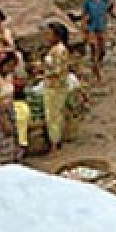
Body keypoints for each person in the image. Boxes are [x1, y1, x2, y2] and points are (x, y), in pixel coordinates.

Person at [42, 22, 70, 152]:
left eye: (49, 34)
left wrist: (43, 71)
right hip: (56, 86)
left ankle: (54, 143)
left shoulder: (59, 50)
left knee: (52, 115)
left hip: (55, 87)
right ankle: (57, 140)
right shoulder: (57, 49)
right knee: (56, 114)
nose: (46, 36)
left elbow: (57, 70)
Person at [82, 0, 110, 83]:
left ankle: (95, 66)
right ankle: (98, 76)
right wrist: (84, 31)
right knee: (94, 51)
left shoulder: (104, 1)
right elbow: (84, 17)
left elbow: (105, 16)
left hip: (101, 29)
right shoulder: (87, 3)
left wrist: (107, 30)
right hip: (91, 30)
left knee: (102, 51)